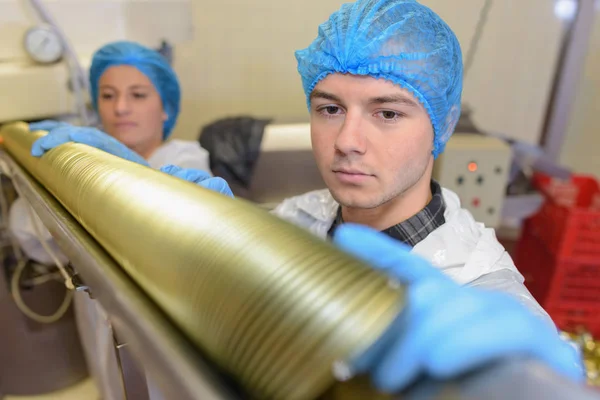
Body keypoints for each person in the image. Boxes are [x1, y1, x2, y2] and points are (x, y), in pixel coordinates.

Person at [29, 0, 584, 394]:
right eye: (329, 108)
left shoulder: (484, 301)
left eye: (387, 113)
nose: (347, 141)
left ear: (440, 125)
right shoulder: (302, 215)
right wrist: (136, 179)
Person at [9, 41, 226, 400]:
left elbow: (168, 237)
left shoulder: (188, 162)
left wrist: (119, 171)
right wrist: (48, 170)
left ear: (166, 107)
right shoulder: (84, 164)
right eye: (108, 96)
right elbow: (34, 240)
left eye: (138, 95)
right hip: (104, 338)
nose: (121, 108)